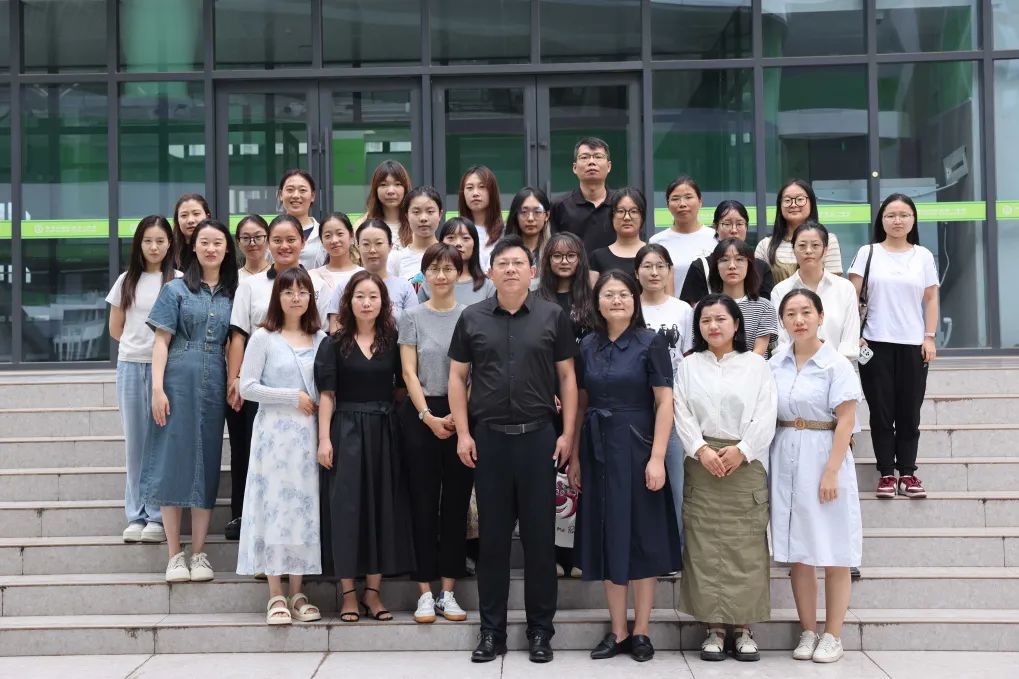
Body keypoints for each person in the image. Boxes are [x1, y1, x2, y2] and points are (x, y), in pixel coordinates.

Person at [448, 235, 579, 664]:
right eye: (502, 263)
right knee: (493, 543)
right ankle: (492, 632)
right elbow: (457, 378)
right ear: (490, 272)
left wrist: (567, 434)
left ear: (532, 271)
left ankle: (541, 631)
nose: (509, 269)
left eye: (518, 263)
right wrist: (463, 434)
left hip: (539, 439)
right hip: (489, 441)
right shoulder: (471, 317)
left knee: (540, 542)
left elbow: (567, 378)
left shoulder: (552, 315)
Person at [570, 271, 681, 663]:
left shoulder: (651, 342)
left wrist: (657, 457)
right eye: (608, 294)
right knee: (607, 535)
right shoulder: (587, 345)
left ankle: (642, 631)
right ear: (597, 302)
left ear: (635, 300)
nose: (616, 300)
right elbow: (581, 403)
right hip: (597, 448)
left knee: (642, 536)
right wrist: (576, 457)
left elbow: (665, 402)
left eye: (623, 294)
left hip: (638, 446)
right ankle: (617, 630)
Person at [673, 293, 777, 662]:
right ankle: (714, 629)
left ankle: (743, 628)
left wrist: (743, 450)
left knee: (746, 545)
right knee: (703, 546)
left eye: (720, 319)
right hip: (701, 463)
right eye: (705, 320)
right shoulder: (689, 366)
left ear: (736, 324)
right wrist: (700, 449)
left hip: (745, 464)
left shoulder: (756, 365)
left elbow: (767, 412)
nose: (713, 326)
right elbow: (680, 410)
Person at [315, 270, 415, 623]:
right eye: (360, 296)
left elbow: (403, 386)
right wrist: (324, 439)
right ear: (349, 301)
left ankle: (373, 593)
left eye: (373, 297)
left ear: (384, 303)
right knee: (346, 509)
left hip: (385, 431)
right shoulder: (333, 343)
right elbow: (327, 395)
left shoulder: (393, 341)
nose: (367, 303)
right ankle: (348, 595)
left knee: (382, 508)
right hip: (345, 431)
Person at [770, 288, 862, 664]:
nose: (799, 320)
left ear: (821, 317)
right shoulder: (775, 363)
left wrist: (831, 471)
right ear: (782, 321)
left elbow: (847, 420)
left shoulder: (836, 364)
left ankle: (833, 635)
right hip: (785, 452)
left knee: (835, 549)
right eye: (791, 313)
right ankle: (808, 630)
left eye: (806, 312)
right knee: (800, 552)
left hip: (825, 453)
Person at [144, 219, 238, 583]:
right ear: (193, 247)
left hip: (215, 381)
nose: (211, 248)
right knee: (172, 460)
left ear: (227, 249)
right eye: (205, 242)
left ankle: (199, 553)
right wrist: (157, 388)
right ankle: (174, 554)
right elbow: (161, 341)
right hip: (177, 379)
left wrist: (234, 380)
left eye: (218, 243)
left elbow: (236, 342)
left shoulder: (234, 292)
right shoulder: (175, 289)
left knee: (206, 461)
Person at [236, 267, 327, 625]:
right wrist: (291, 397)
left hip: (308, 436)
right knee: (274, 508)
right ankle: (275, 592)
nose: (296, 298)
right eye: (288, 292)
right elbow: (247, 387)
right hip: (273, 436)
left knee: (303, 509)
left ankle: (298, 591)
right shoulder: (264, 337)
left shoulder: (320, 338)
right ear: (278, 297)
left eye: (302, 292)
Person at [225, 214, 323, 540]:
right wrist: (235, 379)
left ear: (303, 242)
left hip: (307, 390)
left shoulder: (317, 283)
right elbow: (238, 334)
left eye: (291, 239)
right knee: (252, 456)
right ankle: (249, 522)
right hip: (262, 383)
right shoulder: (250, 286)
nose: (284, 246)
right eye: (277, 240)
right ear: (268, 243)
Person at [399, 243, 474, 625]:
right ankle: (424, 592)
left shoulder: (471, 317)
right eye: (434, 269)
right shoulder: (411, 316)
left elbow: (475, 373)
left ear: (459, 274)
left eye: (448, 268)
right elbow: (408, 372)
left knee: (456, 505)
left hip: (463, 418)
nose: (441, 275)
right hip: (421, 415)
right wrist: (427, 416)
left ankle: (448, 591)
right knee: (423, 504)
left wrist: (459, 419)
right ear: (424, 274)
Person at [848, 193, 940, 500]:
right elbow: (851, 297)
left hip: (913, 345)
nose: (897, 220)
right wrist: (855, 335)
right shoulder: (868, 252)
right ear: (881, 220)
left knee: (909, 411)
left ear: (913, 220)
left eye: (903, 215)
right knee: (881, 411)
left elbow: (931, 298)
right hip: (874, 343)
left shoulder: (923, 256)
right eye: (890, 215)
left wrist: (929, 336)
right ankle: (887, 473)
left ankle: (908, 473)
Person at [106, 215, 180, 545]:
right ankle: (135, 515)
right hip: (131, 367)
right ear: (139, 245)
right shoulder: (126, 281)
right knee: (135, 443)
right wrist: (138, 346)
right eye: (148, 241)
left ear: (170, 244)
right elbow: (115, 328)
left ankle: (156, 516)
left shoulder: (178, 281)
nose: (154, 247)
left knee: (160, 443)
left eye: (160, 241)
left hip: (167, 370)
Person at [634, 244, 693, 539]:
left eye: (660, 266)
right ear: (636, 272)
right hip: (636, 405)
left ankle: (678, 550)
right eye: (647, 266)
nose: (654, 272)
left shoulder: (683, 310)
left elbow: (689, 357)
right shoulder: (630, 307)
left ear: (670, 271)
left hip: (673, 407)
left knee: (677, 486)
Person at [771, 221, 860, 360]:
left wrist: (834, 366)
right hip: (794, 366)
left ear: (825, 250)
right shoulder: (780, 290)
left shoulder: (845, 288)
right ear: (793, 249)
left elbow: (849, 341)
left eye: (815, 245)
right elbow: (782, 341)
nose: (808, 250)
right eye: (802, 245)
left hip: (838, 366)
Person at [325, 219, 418, 328]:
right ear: (358, 247)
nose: (372, 250)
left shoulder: (404, 287)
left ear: (390, 246)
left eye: (378, 243)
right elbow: (335, 328)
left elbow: (413, 328)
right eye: (366, 244)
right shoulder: (345, 286)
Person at [679, 200, 774, 304]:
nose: (734, 230)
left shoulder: (762, 267)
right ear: (715, 227)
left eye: (739, 224)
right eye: (727, 224)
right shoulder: (701, 267)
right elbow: (690, 308)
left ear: (746, 227)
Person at [756, 179, 842, 282]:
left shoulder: (828, 239)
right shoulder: (765, 245)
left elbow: (833, 284)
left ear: (811, 203)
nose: (793, 204)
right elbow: (757, 284)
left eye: (800, 199)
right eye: (787, 200)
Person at [708, 238, 778, 356]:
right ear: (716, 267)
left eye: (739, 259)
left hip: (753, 367)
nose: (732, 266)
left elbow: (759, 352)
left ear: (749, 265)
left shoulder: (764, 307)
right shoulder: (704, 307)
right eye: (724, 260)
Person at [649, 176, 718, 295]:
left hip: (710, 306)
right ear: (668, 205)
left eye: (688, 197)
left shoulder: (715, 237)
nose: (682, 204)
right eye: (675, 199)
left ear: (700, 201)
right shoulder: (657, 242)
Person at [551, 137, 615, 255]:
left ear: (609, 166)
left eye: (598, 157)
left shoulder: (620, 203)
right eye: (584, 157)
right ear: (574, 168)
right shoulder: (559, 205)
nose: (591, 162)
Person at [419, 217, 495, 305]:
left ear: (475, 244)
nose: (458, 243)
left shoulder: (488, 286)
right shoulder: (429, 284)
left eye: (465, 238)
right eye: (451, 238)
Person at [537, 232, 596, 343]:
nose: (564, 261)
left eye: (571, 255)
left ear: (580, 259)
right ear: (548, 260)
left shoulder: (594, 298)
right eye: (557, 256)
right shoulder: (534, 299)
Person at [309, 211, 363, 322]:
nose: (334, 240)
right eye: (328, 236)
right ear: (321, 241)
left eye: (340, 234)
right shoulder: (312, 276)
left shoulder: (364, 275)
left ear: (351, 236)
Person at [589, 188, 648, 282]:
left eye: (634, 211)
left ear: (642, 216)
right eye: (620, 211)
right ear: (612, 216)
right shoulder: (597, 257)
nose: (627, 217)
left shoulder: (654, 254)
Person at [389, 186, 442, 284]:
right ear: (407, 216)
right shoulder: (396, 259)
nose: (423, 218)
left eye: (430, 212)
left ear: (440, 214)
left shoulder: (450, 255)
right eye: (416, 212)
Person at [356, 159, 412, 249]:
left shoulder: (415, 223)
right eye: (383, 184)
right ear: (375, 189)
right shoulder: (363, 224)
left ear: (405, 188)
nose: (390, 191)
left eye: (397, 184)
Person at [458, 165, 504, 268]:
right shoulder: (455, 233)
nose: (475, 193)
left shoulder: (506, 232)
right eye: (469, 188)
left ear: (492, 191)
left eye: (482, 187)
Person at [278, 169, 325, 270]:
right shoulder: (269, 233)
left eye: (302, 190)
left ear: (312, 196)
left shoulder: (323, 234)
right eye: (290, 190)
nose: (296, 195)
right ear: (281, 195)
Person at [504, 186, 553, 273]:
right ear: (516, 215)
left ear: (547, 215)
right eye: (524, 212)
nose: (530, 218)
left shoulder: (555, 251)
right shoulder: (502, 250)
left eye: (537, 212)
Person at [170, 193, 211, 270]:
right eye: (184, 215)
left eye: (196, 214)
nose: (190, 220)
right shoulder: (168, 251)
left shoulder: (216, 249)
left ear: (207, 217)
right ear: (177, 220)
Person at [236, 214, 271, 279]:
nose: (252, 243)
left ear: (268, 240)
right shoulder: (233, 279)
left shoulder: (279, 276)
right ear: (238, 242)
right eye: (246, 238)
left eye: (258, 237)